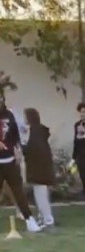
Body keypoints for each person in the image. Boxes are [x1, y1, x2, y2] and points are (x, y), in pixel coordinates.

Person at [0, 90, 43, 233]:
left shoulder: (9, 115)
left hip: (11, 162)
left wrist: (18, 149)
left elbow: (15, 135)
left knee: (19, 192)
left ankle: (30, 220)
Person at [22, 107, 56, 229]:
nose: (24, 119)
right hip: (41, 169)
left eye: (25, 116)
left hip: (39, 170)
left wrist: (22, 148)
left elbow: (33, 150)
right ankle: (44, 218)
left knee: (41, 197)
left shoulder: (35, 132)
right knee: (42, 196)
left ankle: (48, 220)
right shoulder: (39, 131)